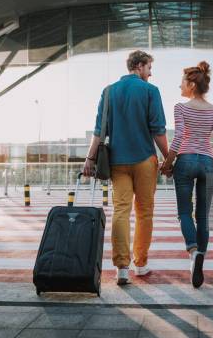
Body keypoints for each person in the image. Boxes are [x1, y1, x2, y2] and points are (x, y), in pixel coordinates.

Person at [83, 50, 169, 286]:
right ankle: (140, 264)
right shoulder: (151, 91)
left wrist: (89, 159)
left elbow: (99, 131)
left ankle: (122, 267)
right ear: (140, 66)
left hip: (117, 163)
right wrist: (169, 158)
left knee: (121, 211)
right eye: (149, 68)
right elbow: (158, 129)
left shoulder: (109, 91)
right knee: (144, 212)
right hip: (144, 161)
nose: (150, 74)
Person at [160, 61, 213, 288]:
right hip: (208, 163)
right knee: (202, 216)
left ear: (191, 84)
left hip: (186, 160)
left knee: (184, 213)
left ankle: (193, 250)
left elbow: (180, 136)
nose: (179, 86)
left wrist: (167, 162)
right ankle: (200, 254)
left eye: (182, 82)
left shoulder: (180, 108)